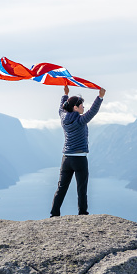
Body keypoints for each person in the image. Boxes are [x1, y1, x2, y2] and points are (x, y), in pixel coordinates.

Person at [50, 84, 106, 217]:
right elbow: (93, 111)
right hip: (80, 159)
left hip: (66, 159)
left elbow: (61, 108)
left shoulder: (63, 118)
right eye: (81, 105)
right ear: (75, 107)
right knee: (81, 187)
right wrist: (100, 97)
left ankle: (54, 213)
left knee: (61, 187)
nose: (83, 107)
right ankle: (82, 213)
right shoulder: (80, 120)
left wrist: (65, 94)